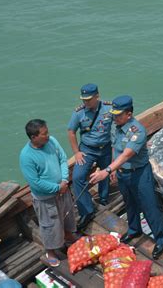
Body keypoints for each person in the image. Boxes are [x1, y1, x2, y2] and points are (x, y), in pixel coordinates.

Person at [89, 95, 163, 260]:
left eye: (118, 115)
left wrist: (106, 170)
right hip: (122, 173)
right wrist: (113, 170)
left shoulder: (137, 131)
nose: (114, 117)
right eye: (114, 114)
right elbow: (115, 149)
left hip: (139, 174)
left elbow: (126, 155)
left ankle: (161, 238)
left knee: (148, 206)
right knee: (130, 203)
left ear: (129, 114)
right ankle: (134, 230)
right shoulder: (116, 127)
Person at [19, 119, 77, 267]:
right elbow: (35, 182)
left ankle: (69, 236)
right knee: (49, 225)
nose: (48, 135)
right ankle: (50, 251)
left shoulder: (52, 141)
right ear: (34, 137)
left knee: (68, 215)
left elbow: (63, 159)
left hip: (63, 189)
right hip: (46, 198)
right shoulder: (26, 156)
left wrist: (64, 180)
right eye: (44, 134)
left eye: (47, 132)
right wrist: (57, 188)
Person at [67, 83, 113, 230]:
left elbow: (118, 125)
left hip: (105, 148)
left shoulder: (108, 108)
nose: (85, 103)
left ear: (97, 96)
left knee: (105, 175)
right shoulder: (79, 113)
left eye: (88, 99)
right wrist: (76, 152)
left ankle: (104, 199)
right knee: (77, 178)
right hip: (87, 150)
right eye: (83, 100)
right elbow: (71, 132)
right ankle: (87, 211)